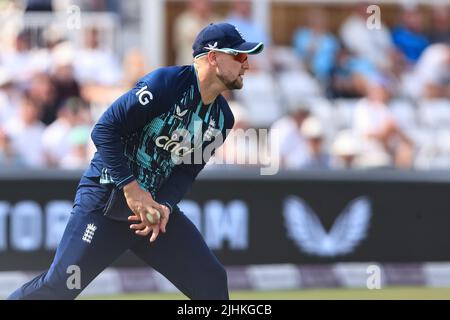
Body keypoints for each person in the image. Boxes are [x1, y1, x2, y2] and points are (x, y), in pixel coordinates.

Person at [8, 22, 264, 300]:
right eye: (238, 56)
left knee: (211, 282)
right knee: (61, 285)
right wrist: (132, 189)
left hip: (150, 213)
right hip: (105, 201)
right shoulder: (165, 84)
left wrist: (164, 204)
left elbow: (187, 171)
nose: (246, 64)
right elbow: (104, 130)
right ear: (213, 57)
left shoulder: (223, 119)